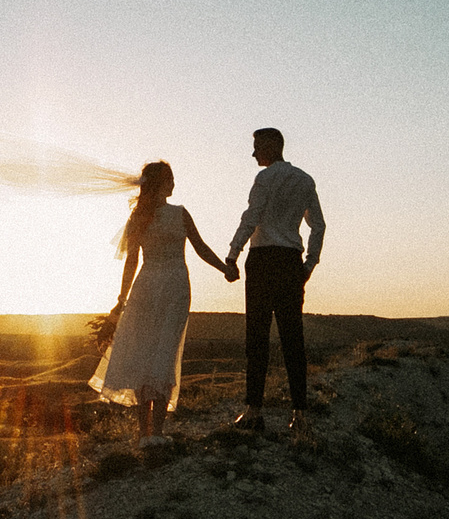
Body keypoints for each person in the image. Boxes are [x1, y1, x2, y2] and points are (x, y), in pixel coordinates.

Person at [89, 161, 236, 443]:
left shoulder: (166, 215)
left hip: (159, 287)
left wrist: (224, 268)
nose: (174, 184)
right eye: (170, 179)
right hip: (164, 287)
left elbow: (201, 247)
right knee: (155, 355)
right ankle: (151, 433)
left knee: (158, 354)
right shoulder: (149, 217)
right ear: (161, 183)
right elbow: (132, 260)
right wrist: (121, 300)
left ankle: (151, 433)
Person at [225, 127, 324, 431]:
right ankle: (300, 415)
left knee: (257, 337)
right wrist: (309, 264)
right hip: (290, 262)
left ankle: (254, 411)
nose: (253, 153)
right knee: (293, 338)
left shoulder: (263, 179)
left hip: (263, 260)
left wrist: (232, 254)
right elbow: (318, 225)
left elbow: (251, 216)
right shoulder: (305, 180)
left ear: (271, 146)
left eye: (257, 146)